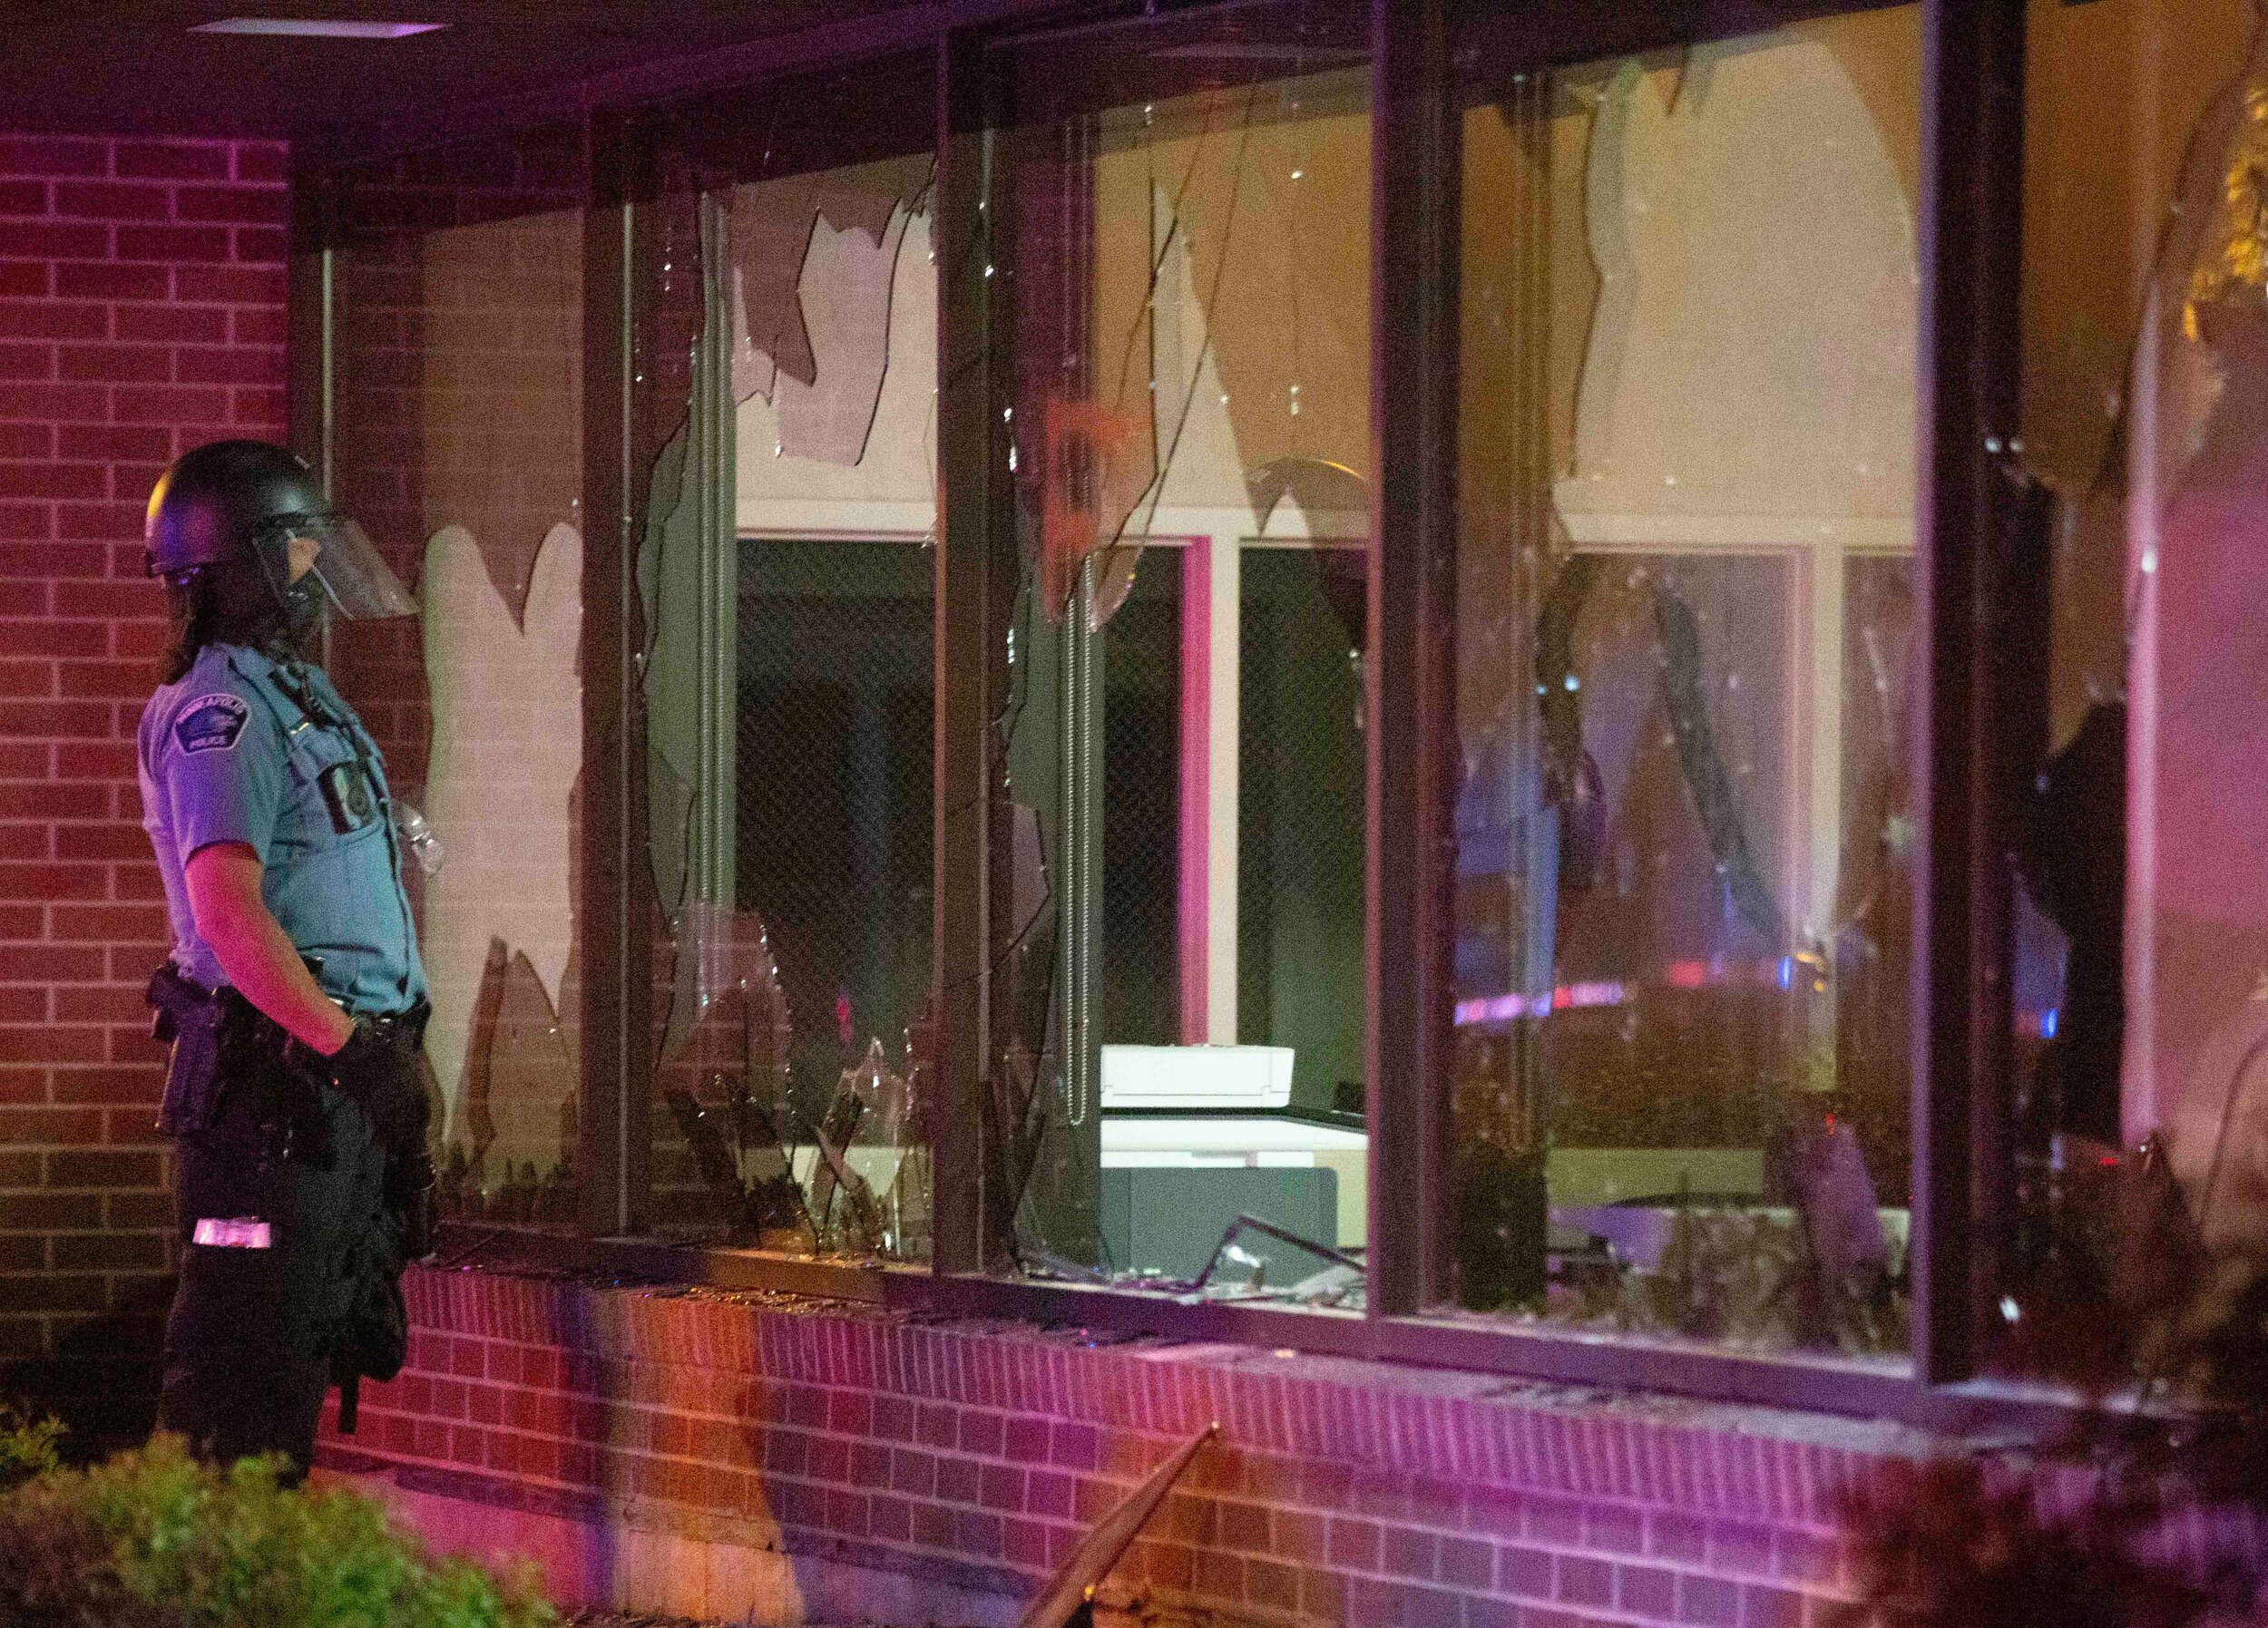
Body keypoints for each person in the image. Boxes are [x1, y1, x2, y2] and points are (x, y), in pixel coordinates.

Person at [136, 438, 434, 1480]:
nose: (312, 567)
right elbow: (227, 914)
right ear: (235, 566)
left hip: (325, 1087)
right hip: (274, 1098)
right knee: (239, 1388)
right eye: (293, 546)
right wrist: (351, 1050)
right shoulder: (223, 712)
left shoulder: (299, 695)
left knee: (295, 1362)